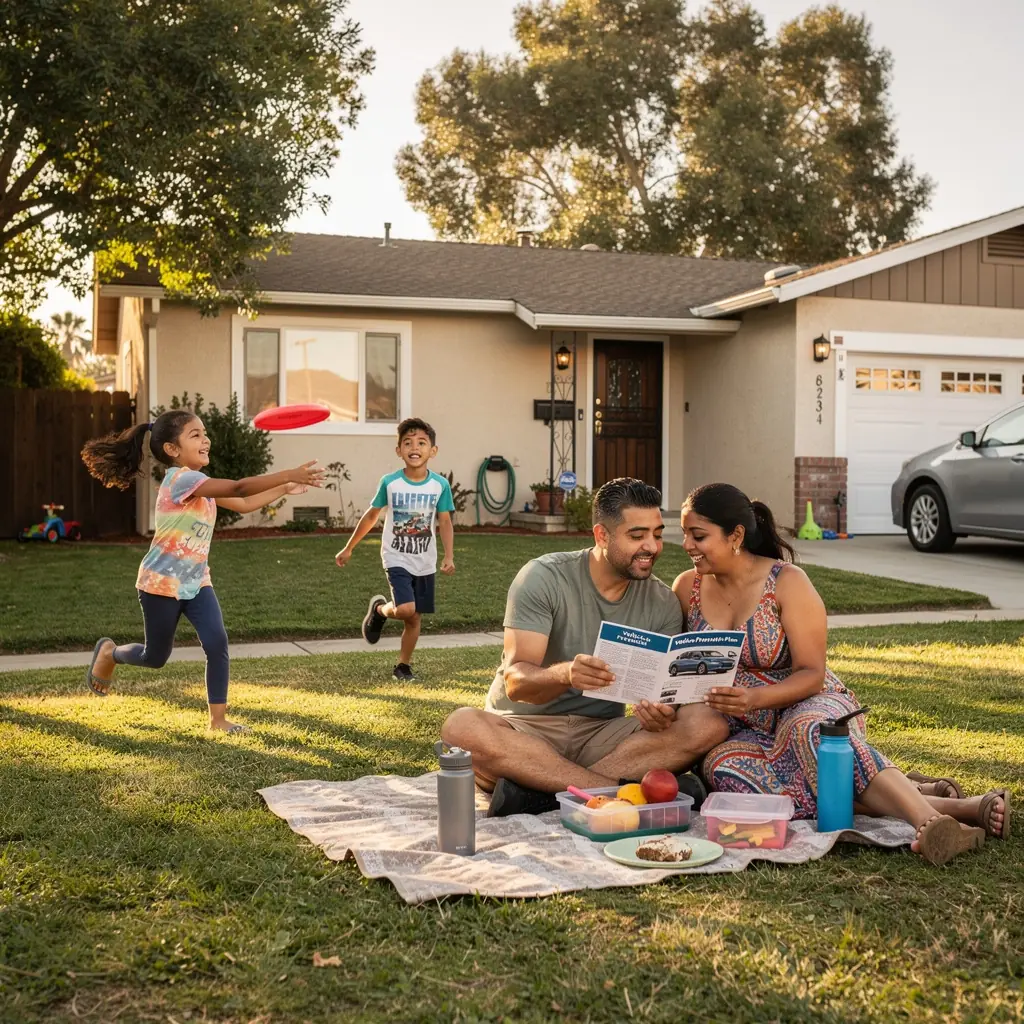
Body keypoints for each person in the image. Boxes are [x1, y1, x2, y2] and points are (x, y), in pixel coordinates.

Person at [674, 482, 1010, 866]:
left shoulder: (786, 582)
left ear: (735, 535)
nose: (686, 544)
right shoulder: (688, 587)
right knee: (726, 770)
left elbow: (812, 674)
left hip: (808, 701)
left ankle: (930, 821)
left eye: (698, 535)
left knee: (811, 736)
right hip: (745, 724)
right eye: (685, 533)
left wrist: (755, 697)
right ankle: (962, 808)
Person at [442, 478, 730, 818]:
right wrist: (566, 674)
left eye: (656, 533)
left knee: (708, 722)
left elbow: (664, 695)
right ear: (601, 536)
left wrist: (660, 713)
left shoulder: (662, 602)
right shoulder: (543, 577)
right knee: (461, 729)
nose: (652, 546)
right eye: (637, 536)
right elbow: (516, 683)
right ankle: (612, 792)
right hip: (524, 729)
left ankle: (545, 794)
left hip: (602, 735)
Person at [80, 410, 324, 733]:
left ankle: (218, 720)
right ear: (172, 449)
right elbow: (238, 488)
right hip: (161, 585)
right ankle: (110, 652)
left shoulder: (201, 486)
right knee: (155, 657)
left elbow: (244, 503)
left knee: (216, 641)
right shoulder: (181, 479)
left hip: (196, 583)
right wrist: (285, 474)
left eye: (204, 433)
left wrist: (285, 488)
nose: (205, 439)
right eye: (195, 435)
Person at [335, 418, 455, 682]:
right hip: (395, 556)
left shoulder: (439, 485)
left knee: (414, 618)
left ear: (432, 451)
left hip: (425, 560)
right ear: (398, 450)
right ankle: (381, 610)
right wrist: (349, 547)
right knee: (405, 610)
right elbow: (370, 516)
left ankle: (403, 665)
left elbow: (444, 521)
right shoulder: (390, 482)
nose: (415, 447)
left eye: (422, 442)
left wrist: (449, 555)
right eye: (408, 442)